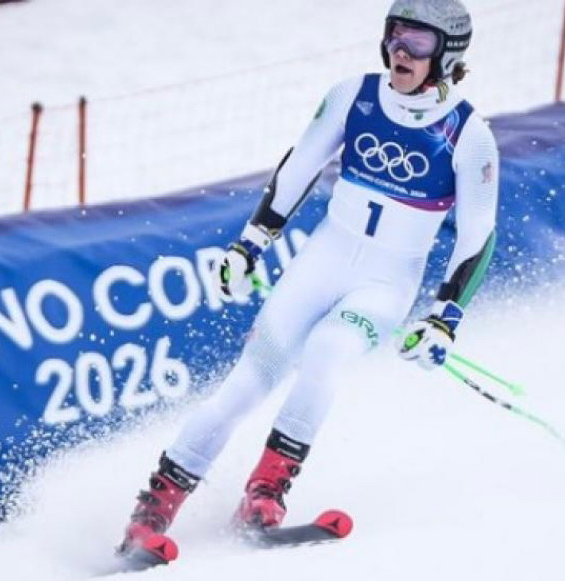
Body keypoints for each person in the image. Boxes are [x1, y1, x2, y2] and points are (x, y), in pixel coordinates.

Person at [117, 0, 499, 565]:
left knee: (327, 351)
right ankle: (151, 513)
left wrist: (446, 316)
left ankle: (263, 495)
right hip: (323, 260)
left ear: (448, 54)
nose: (401, 50)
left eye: (419, 42)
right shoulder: (353, 95)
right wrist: (251, 243)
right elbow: (298, 168)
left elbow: (478, 234)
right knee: (247, 382)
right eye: (396, 35)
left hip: (385, 284)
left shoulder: (468, 134)